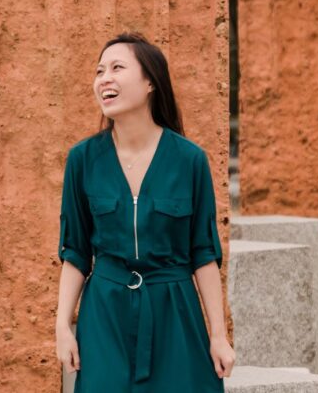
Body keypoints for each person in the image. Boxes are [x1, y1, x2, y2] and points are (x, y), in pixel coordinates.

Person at [55, 32, 236, 391]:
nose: (104, 78)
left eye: (117, 68)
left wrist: (218, 335)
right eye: (99, 70)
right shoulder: (83, 160)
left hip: (174, 308)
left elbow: (203, 253)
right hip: (105, 312)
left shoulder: (190, 160)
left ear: (150, 81)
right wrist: (63, 326)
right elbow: (75, 252)